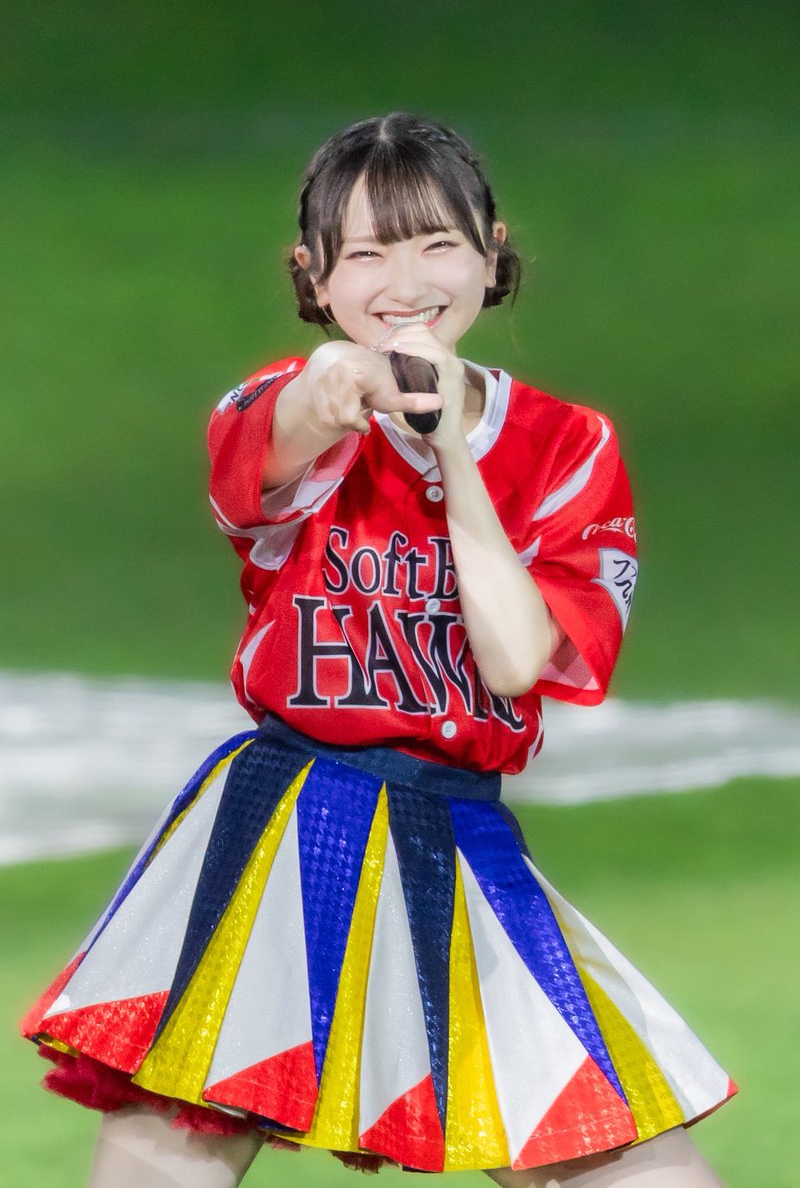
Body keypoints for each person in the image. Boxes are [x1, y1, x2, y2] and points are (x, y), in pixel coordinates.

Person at [22, 113, 735, 1188]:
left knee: (616, 1157)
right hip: (282, 828)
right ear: (313, 277)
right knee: (174, 1134)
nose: (405, 281)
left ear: (492, 253)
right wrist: (331, 385)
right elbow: (283, 431)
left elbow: (514, 660)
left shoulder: (568, 444)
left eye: (437, 242)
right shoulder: (280, 403)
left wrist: (450, 446)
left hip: (457, 839)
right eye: (364, 254)